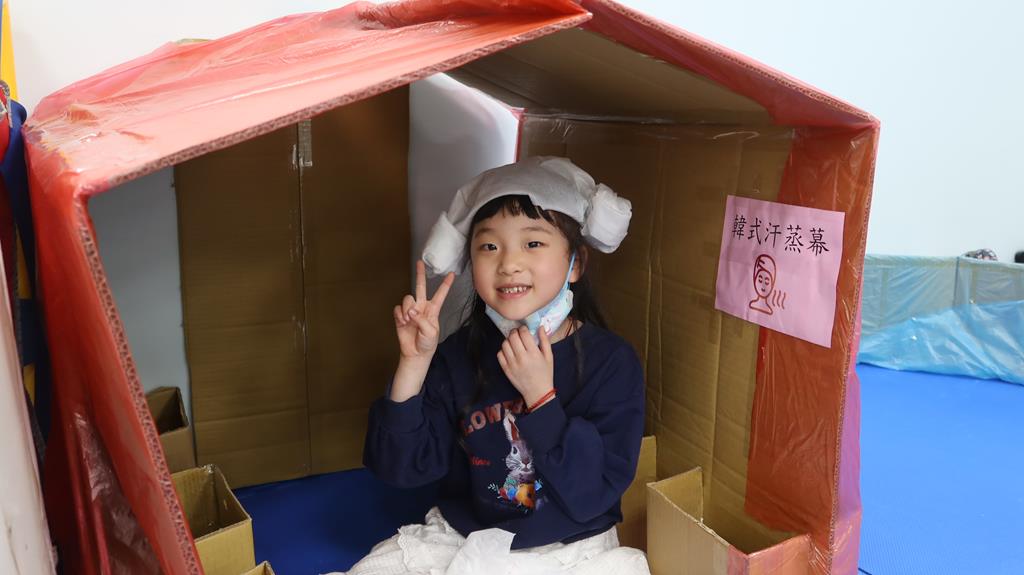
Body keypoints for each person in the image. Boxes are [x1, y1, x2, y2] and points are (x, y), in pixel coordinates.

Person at [336, 157, 649, 575]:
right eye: (489, 246)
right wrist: (414, 364)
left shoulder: (612, 362)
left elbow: (591, 496)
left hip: (573, 547)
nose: (508, 263)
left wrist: (541, 398)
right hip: (467, 539)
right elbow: (401, 470)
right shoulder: (455, 355)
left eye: (533, 243)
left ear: (576, 263)